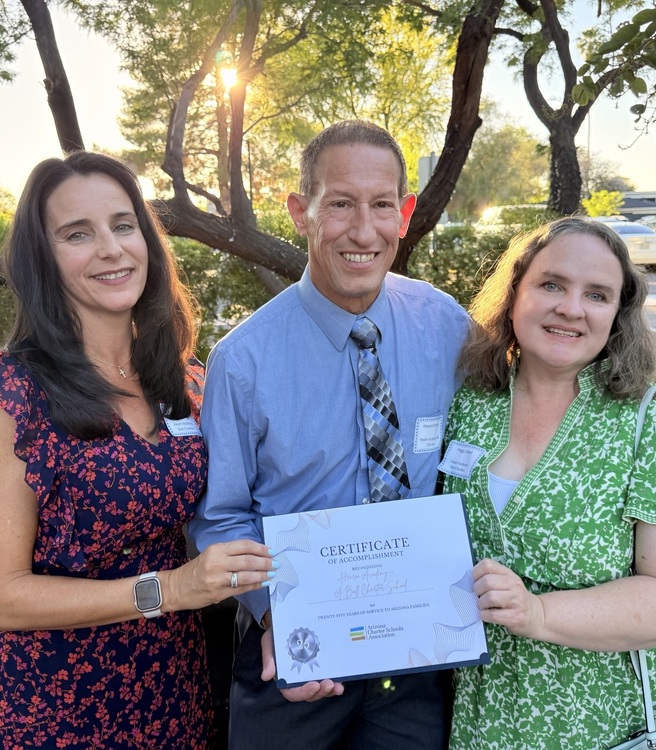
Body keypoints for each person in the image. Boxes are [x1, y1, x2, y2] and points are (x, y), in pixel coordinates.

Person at [0, 151, 275, 749]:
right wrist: (170, 589)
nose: (111, 248)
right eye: (79, 234)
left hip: (173, 683)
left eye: (124, 225)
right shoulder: (10, 394)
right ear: (43, 258)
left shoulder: (181, 379)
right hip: (57, 701)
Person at [189, 120, 472, 749]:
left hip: (418, 654)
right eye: (339, 203)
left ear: (405, 214)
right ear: (301, 211)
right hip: (294, 652)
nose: (362, 230)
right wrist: (275, 617)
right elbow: (221, 515)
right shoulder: (244, 361)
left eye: (380, 206)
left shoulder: (448, 329)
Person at [441, 217, 656, 749]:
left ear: (617, 315)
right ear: (515, 294)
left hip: (606, 721)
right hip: (479, 712)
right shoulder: (472, 401)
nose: (571, 308)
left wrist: (536, 613)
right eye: (552, 284)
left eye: (597, 295)